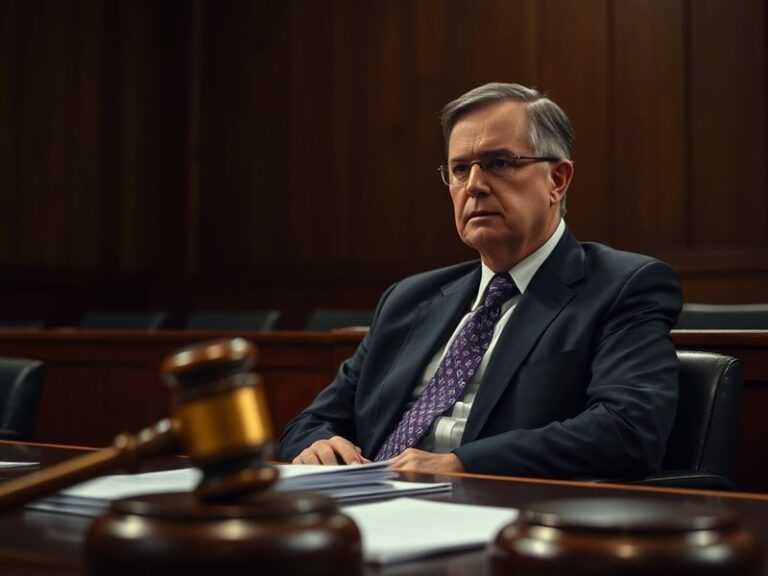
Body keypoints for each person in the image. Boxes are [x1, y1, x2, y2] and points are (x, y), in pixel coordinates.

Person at [275, 82, 682, 480]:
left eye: (499, 163)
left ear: (557, 180)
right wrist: (317, 444)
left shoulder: (623, 286)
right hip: (364, 498)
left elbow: (629, 429)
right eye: (459, 169)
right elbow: (310, 423)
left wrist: (463, 464)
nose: (473, 186)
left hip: (496, 508)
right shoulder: (408, 299)